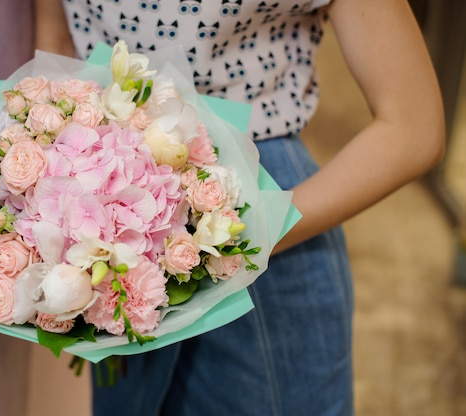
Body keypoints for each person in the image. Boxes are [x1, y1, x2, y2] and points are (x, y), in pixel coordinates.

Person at [34, 1, 445, 415]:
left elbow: (413, 129)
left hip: (267, 227)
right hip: (114, 223)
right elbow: (57, 46)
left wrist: (235, 235)